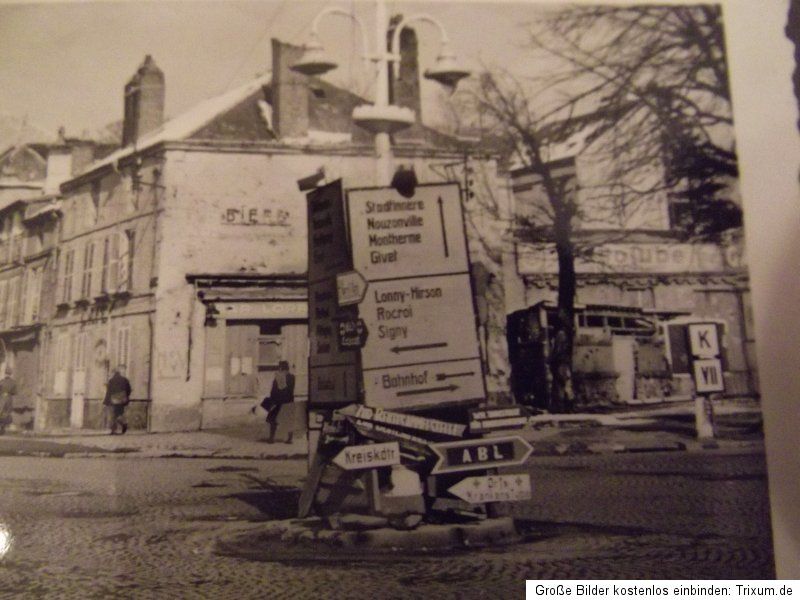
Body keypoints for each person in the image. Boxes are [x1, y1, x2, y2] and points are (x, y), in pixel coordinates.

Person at [254, 360, 295, 443]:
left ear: (281, 368)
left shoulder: (279, 377)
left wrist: (272, 399)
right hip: (289, 401)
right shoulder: (292, 377)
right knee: (288, 420)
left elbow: (274, 390)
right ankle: (290, 439)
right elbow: (291, 389)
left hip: (278, 401)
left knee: (273, 420)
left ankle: (271, 438)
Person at [104, 365, 132, 435]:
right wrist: (126, 397)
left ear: (113, 373)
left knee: (113, 415)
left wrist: (106, 401)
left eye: (111, 373)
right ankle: (122, 424)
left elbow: (109, 392)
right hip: (122, 399)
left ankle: (117, 428)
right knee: (119, 413)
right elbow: (129, 390)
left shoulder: (111, 381)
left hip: (114, 399)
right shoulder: (125, 380)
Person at [0, 368, 16, 435]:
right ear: (11, 374)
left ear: (5, 373)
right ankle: (3, 425)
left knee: (1, 411)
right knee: (7, 412)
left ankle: (1, 424)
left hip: (2, 398)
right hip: (9, 398)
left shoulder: (1, 381)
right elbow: (14, 392)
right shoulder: (13, 382)